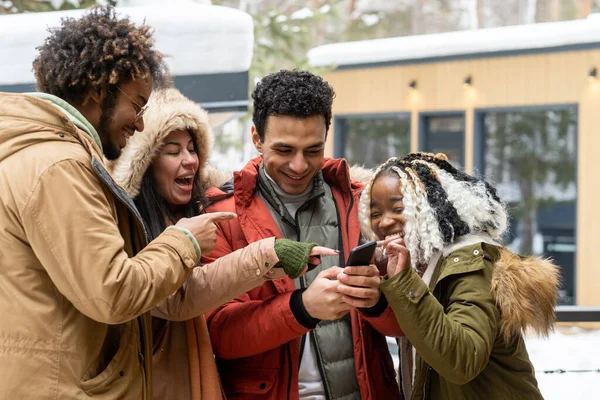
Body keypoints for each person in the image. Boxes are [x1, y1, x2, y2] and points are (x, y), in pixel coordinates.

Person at [0, 7, 234, 399]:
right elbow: (113, 292)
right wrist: (184, 242)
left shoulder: (36, 155)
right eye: (138, 106)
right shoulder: (59, 167)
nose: (141, 124)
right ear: (97, 90)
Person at [111, 86, 336, 400]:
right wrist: (270, 256)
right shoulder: (126, 225)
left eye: (193, 149)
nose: (189, 160)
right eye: (173, 151)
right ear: (144, 161)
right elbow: (179, 300)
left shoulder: (210, 207)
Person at [203, 69, 403, 400]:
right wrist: (301, 308)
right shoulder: (221, 216)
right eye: (284, 150)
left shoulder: (362, 203)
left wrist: (377, 302)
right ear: (257, 138)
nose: (299, 165)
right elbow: (219, 333)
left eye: (313, 150)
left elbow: (405, 326)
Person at [359, 153, 560, 399]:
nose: (384, 222)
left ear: (432, 206)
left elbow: (462, 360)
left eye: (399, 208)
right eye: (375, 213)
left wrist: (403, 283)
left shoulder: (470, 263)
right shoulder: (420, 266)